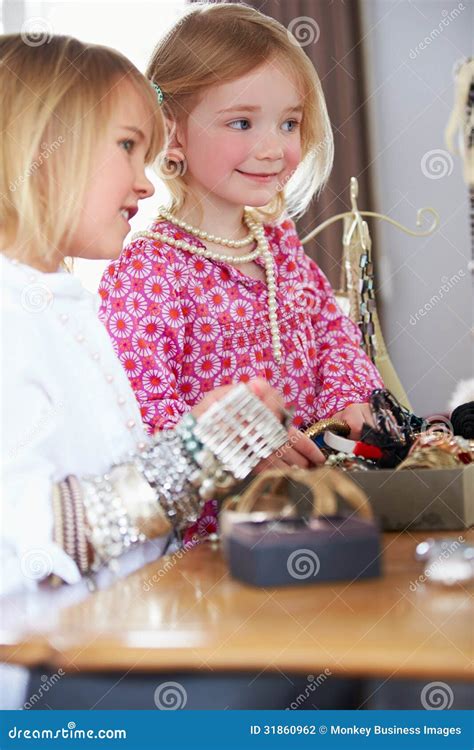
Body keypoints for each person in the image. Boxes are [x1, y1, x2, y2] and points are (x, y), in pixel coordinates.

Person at [0, 33, 322, 596]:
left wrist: (213, 439)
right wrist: (198, 454)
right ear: (37, 150)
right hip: (58, 662)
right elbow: (34, 541)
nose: (145, 183)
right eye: (126, 146)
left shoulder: (57, 305)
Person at [99, 2, 383, 449]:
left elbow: (335, 337)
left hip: (312, 499)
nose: (273, 148)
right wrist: (238, 452)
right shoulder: (149, 271)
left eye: (289, 123)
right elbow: (142, 415)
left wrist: (349, 401)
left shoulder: (277, 244)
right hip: (222, 513)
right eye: (243, 122)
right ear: (173, 134)